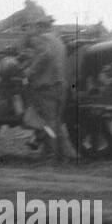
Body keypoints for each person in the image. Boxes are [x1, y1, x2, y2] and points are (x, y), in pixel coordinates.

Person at [18, 15, 73, 162]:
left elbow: (45, 54)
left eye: (36, 27)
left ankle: (51, 155)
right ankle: (63, 155)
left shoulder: (42, 39)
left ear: (41, 27)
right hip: (60, 87)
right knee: (55, 122)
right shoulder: (59, 42)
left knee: (47, 124)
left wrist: (29, 73)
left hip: (45, 88)